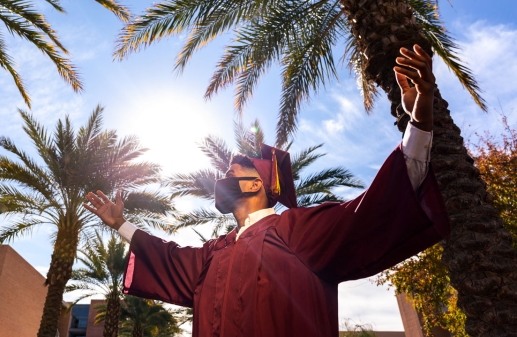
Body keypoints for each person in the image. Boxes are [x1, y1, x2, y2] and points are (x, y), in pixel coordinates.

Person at [84, 45, 450, 337]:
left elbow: (377, 206)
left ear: (257, 182)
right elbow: (165, 256)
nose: (223, 175)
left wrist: (417, 119)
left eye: (233, 170)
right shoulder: (212, 254)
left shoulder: (298, 231)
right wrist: (120, 225)